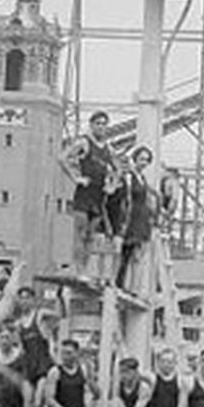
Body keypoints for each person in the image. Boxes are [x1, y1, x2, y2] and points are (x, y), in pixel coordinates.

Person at [61, 110, 119, 279]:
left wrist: (112, 186)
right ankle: (78, 269)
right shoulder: (84, 143)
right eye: (98, 123)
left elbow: (118, 169)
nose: (101, 127)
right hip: (84, 193)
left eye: (104, 124)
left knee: (90, 236)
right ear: (91, 125)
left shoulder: (108, 148)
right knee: (80, 231)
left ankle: (84, 269)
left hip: (99, 195)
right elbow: (63, 158)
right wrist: (76, 177)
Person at [114, 145, 157, 292]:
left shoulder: (142, 178)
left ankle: (134, 286)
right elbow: (125, 197)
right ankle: (120, 283)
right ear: (135, 159)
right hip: (131, 217)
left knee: (137, 254)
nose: (144, 163)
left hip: (142, 218)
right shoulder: (130, 176)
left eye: (146, 160)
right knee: (126, 253)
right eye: (141, 159)